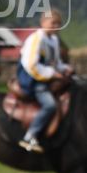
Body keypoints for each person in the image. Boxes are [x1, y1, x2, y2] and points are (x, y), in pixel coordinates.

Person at [17, 8, 71, 152]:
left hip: (46, 76)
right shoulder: (36, 39)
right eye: (53, 23)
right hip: (33, 79)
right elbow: (31, 65)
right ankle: (29, 135)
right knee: (50, 105)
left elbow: (55, 62)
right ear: (43, 22)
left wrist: (65, 69)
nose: (56, 26)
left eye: (58, 23)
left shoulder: (53, 40)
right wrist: (53, 74)